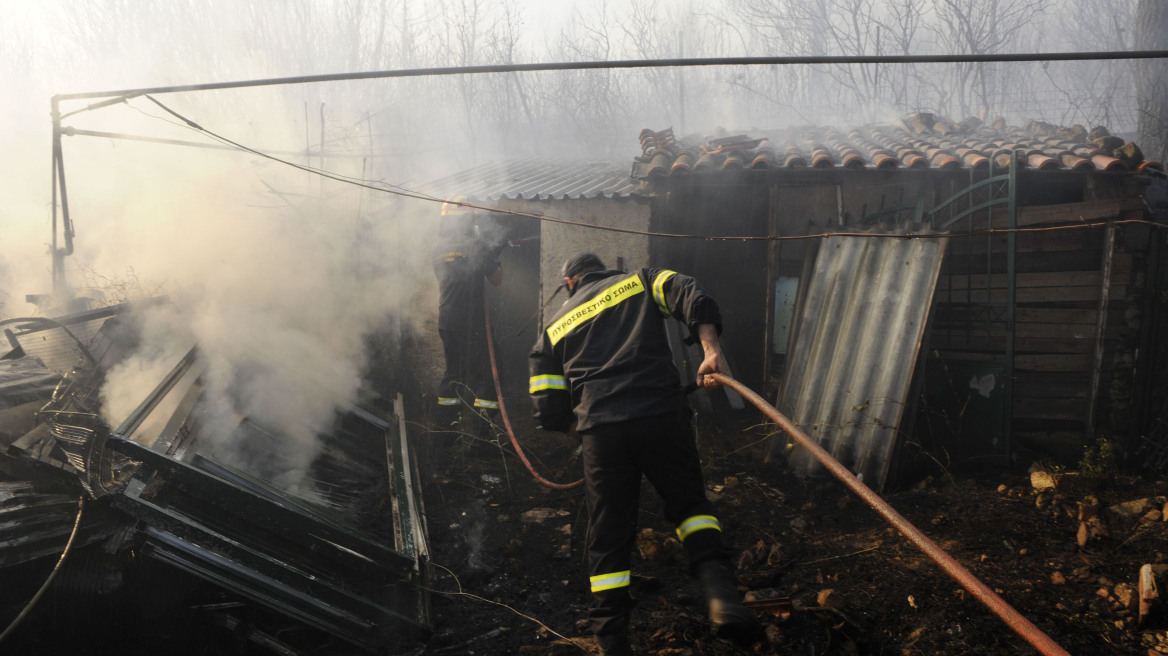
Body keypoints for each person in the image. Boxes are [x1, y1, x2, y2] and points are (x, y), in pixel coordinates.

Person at [528, 253, 764, 655]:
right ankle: (723, 602)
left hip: (601, 434)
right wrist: (710, 351)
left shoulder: (552, 327)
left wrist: (584, 430)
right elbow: (692, 292)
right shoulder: (639, 281)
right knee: (691, 508)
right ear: (604, 271)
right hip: (660, 414)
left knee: (608, 539)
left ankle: (613, 643)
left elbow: (546, 405)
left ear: (569, 283)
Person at [432, 194, 503, 444]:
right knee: (485, 374)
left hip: (447, 320)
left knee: (454, 372)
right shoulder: (477, 246)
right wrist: (493, 254)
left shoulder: (437, 249)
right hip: (472, 323)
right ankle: (480, 437)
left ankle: (445, 430)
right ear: (467, 220)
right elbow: (496, 279)